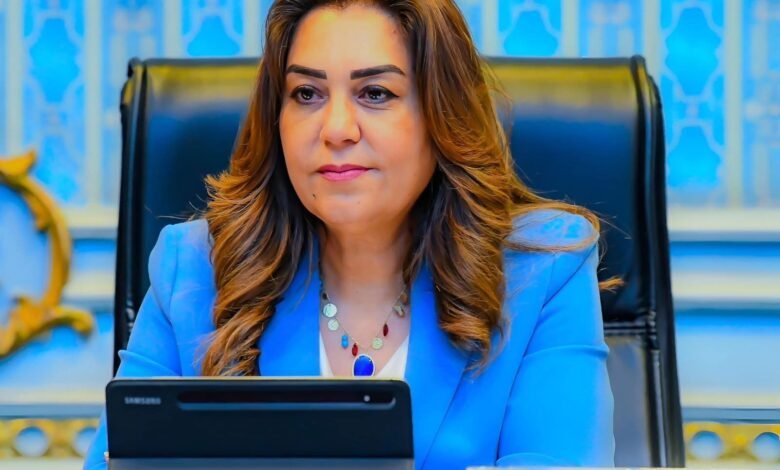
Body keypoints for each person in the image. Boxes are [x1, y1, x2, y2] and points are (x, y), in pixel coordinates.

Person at [84, 0, 615, 468]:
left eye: (376, 93)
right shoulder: (195, 268)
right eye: (306, 93)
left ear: (442, 114)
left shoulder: (542, 267)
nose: (336, 129)